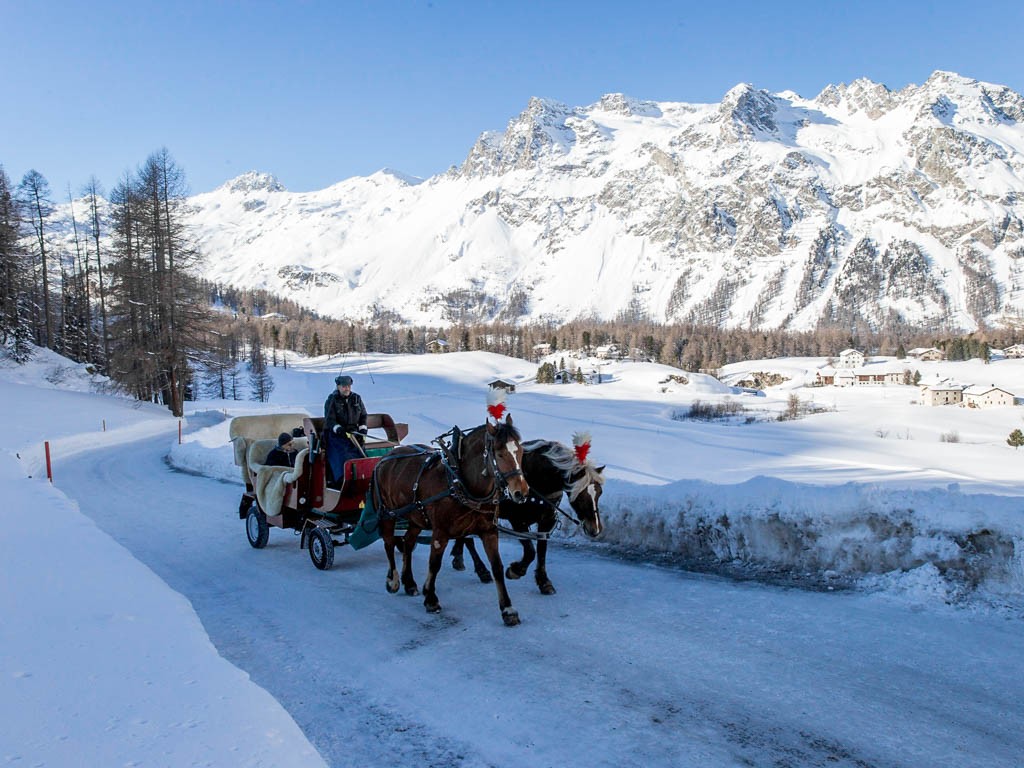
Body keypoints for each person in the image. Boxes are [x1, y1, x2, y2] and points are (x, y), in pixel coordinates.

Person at [324, 374, 368, 487]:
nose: (347, 388)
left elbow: (363, 416)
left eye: (348, 386)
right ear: (338, 387)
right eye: (344, 386)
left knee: (361, 454)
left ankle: (362, 479)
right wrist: (339, 430)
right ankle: (343, 480)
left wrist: (362, 430)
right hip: (337, 436)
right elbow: (330, 420)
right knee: (344, 455)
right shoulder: (332, 400)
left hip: (354, 433)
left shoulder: (356, 398)